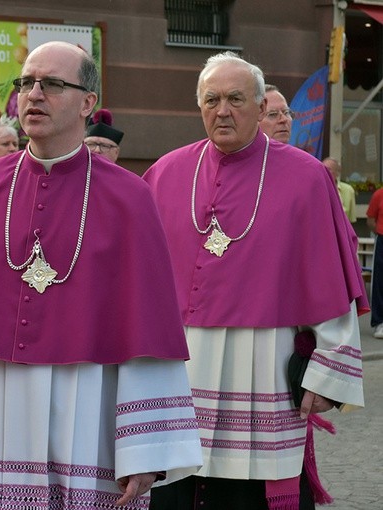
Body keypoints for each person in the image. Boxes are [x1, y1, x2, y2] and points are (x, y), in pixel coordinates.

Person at [0, 41, 202, 509]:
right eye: (25, 83)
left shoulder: (129, 198)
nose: (32, 95)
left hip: (90, 404)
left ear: (87, 103)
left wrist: (144, 451)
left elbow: (148, 331)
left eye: (52, 84)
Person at [143, 51, 367, 510]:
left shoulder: (306, 178)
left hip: (264, 366)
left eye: (235, 99)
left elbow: (327, 279)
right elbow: (135, 284)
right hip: (180, 372)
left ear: (261, 107)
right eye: (211, 99)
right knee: (177, 485)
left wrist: (327, 373)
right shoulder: (164, 174)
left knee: (253, 494)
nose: (222, 110)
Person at [366, 186, 383, 339]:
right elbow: (371, 219)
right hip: (382, 238)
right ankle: (379, 322)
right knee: (379, 281)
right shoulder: (379, 194)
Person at [323, 157, 356, 224]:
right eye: (322, 169)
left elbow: (351, 220)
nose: (324, 172)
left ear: (337, 173)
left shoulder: (348, 190)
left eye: (328, 169)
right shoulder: (314, 189)